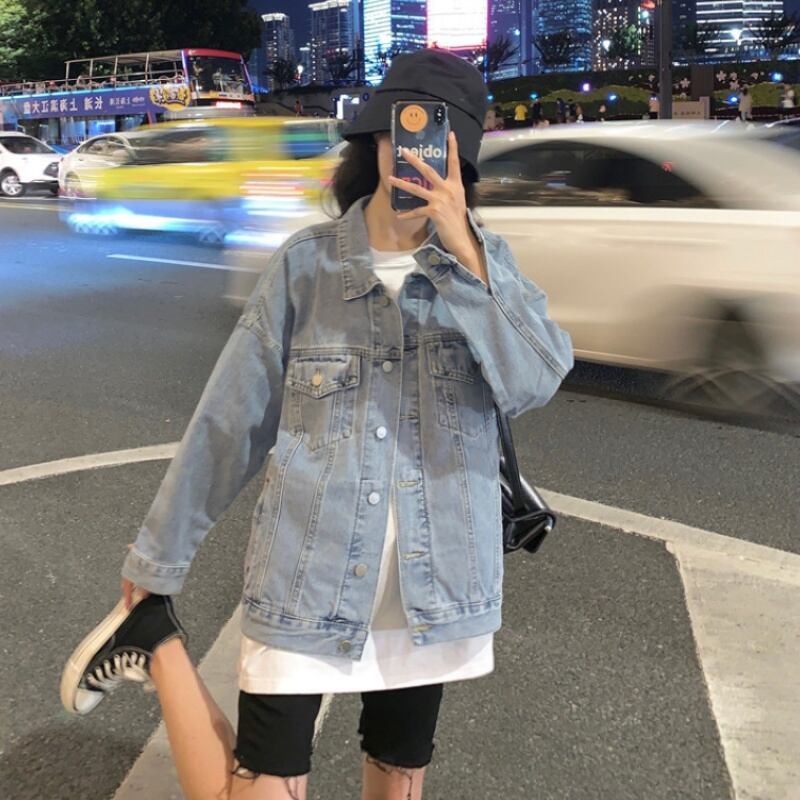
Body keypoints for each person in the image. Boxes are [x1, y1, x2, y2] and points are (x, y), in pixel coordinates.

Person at [60, 48, 573, 800]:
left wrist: (463, 254)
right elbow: (230, 419)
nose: (417, 153)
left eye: (439, 139)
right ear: (374, 138)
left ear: (462, 157)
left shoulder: (485, 266)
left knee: (399, 773)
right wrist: (159, 556)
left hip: (435, 586)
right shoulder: (307, 266)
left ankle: (154, 641)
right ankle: (157, 644)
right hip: (307, 574)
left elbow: (534, 382)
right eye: (404, 130)